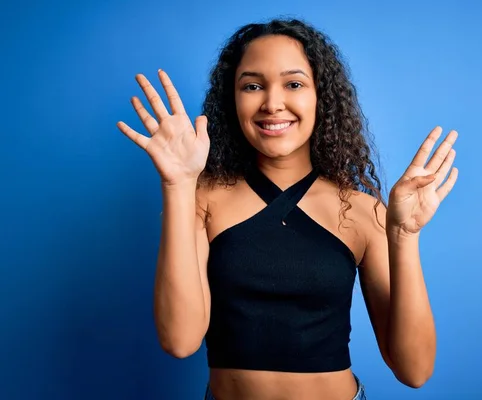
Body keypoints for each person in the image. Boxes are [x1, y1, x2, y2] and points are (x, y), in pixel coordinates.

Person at [117, 18, 458, 400]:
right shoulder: (202, 199)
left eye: (293, 84)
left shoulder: (362, 212)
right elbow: (179, 341)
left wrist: (404, 235)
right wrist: (178, 185)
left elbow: (414, 370)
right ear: (233, 99)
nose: (272, 103)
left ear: (321, 98)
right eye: (252, 85)